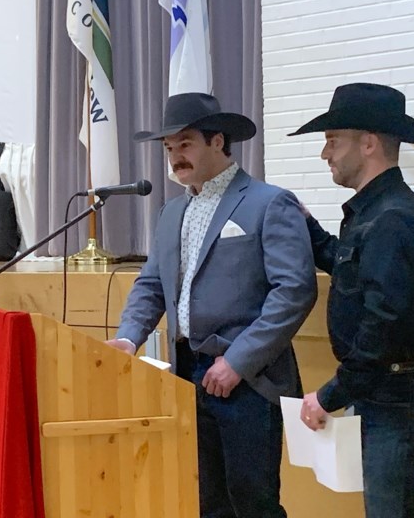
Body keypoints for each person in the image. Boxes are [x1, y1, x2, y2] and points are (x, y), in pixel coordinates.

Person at [107, 92, 317, 518]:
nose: (175, 157)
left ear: (218, 142)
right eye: (168, 148)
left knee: (252, 501)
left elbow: (294, 291)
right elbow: (151, 285)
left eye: (184, 144)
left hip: (248, 379)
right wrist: (128, 338)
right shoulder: (170, 212)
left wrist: (238, 361)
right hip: (186, 374)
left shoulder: (268, 202)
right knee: (206, 501)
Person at [289, 83, 414, 518]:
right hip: (393, 398)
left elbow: (384, 324)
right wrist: (308, 227)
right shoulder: (378, 214)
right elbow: (354, 275)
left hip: (401, 403)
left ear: (367, 143)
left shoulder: (392, 220)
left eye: (332, 140)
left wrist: (329, 395)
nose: (325, 153)